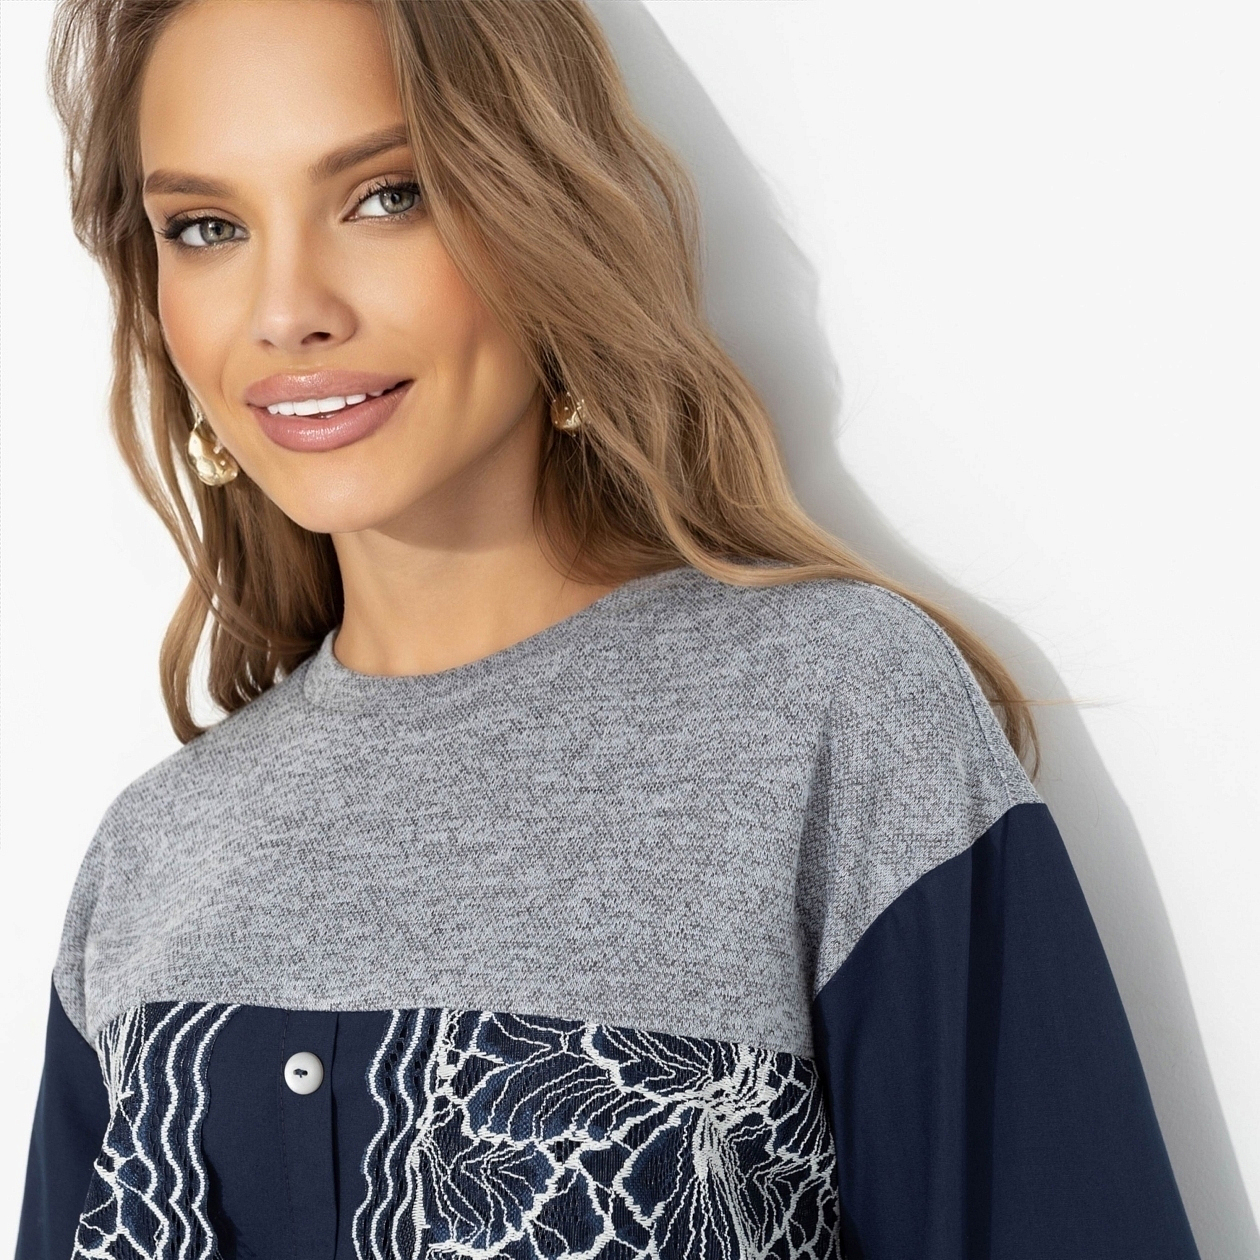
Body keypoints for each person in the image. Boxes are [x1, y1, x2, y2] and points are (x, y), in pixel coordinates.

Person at [17, 1, 1200, 1257]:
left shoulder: (832, 716)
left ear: (540, 214)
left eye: (387, 196)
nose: (285, 310)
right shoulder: (152, 857)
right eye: (206, 228)